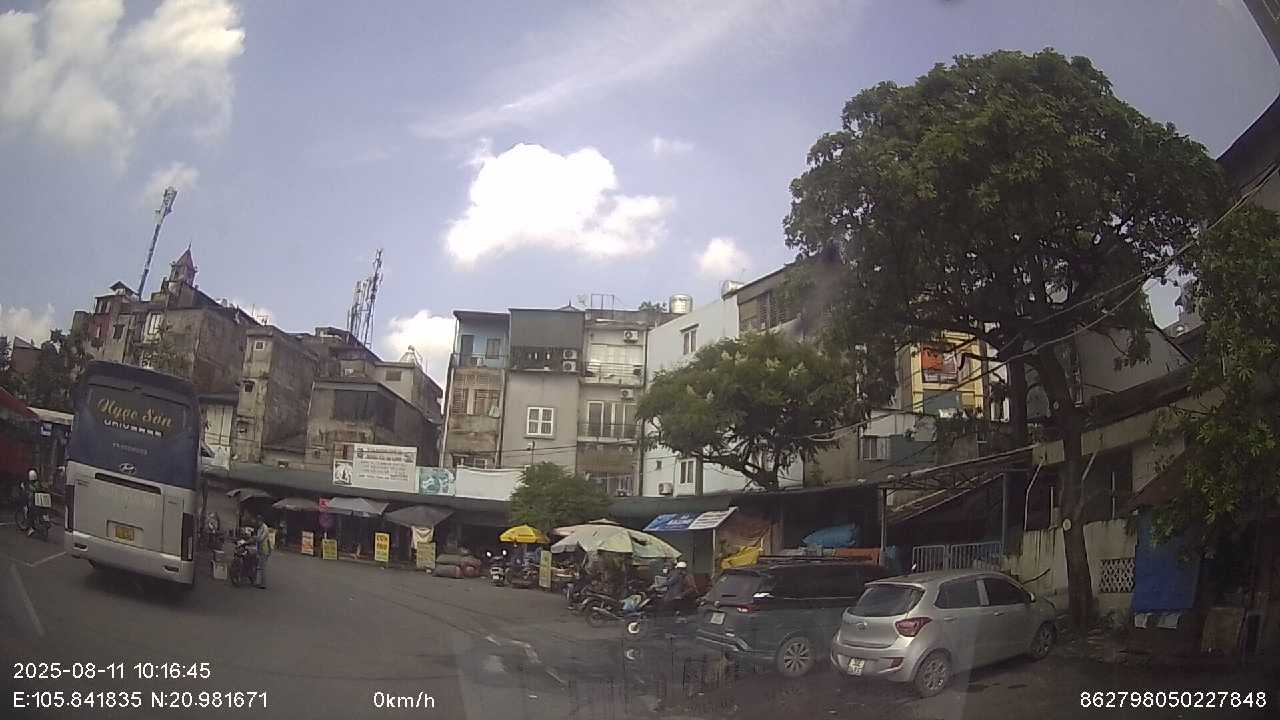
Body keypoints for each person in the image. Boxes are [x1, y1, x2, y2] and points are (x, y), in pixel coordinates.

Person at [253, 515, 271, 588]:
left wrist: (254, 538)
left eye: (258, 521)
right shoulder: (260, 528)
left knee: (262, 567)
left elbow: (261, 539)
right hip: (260, 549)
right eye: (257, 521)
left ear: (261, 521)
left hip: (264, 549)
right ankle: (258, 582)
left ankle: (263, 584)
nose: (257, 522)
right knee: (259, 566)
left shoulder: (265, 528)